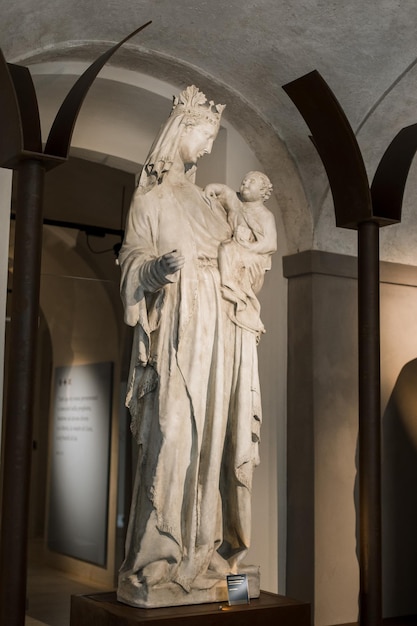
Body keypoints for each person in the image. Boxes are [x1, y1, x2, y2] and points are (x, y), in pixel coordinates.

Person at [117, 86, 272, 608]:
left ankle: (208, 559)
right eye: (203, 137)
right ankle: (155, 562)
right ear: (181, 130)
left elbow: (245, 259)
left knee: (219, 439)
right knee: (174, 435)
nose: (207, 150)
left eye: (212, 140)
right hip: (182, 328)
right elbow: (133, 258)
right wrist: (154, 271)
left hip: (222, 328)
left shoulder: (211, 203)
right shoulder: (152, 199)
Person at [205, 172, 277, 338]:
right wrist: (210, 189)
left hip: (253, 257)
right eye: (244, 180)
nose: (245, 182)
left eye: (251, 181)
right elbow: (222, 190)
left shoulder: (266, 216)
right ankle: (227, 285)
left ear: (262, 191)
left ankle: (229, 287)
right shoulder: (236, 202)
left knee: (226, 249)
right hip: (235, 250)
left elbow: (271, 243)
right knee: (223, 249)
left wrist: (249, 247)